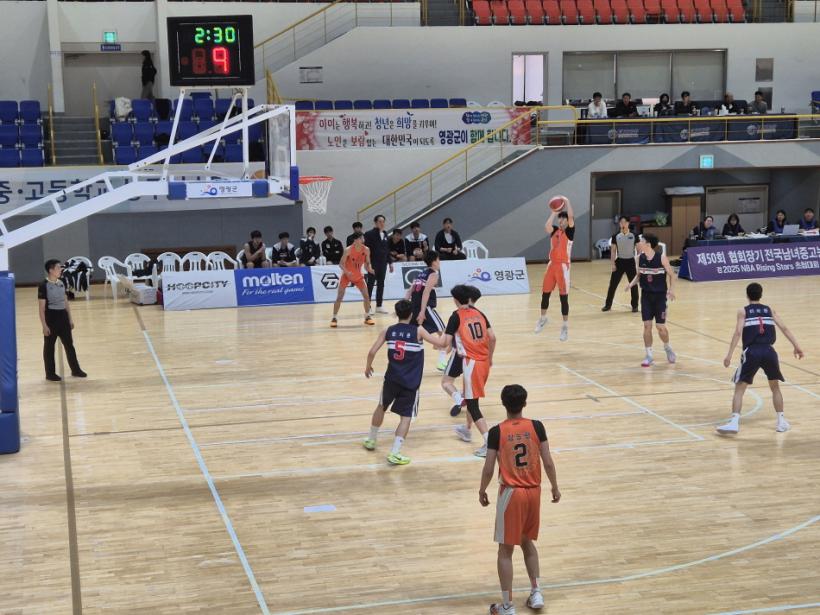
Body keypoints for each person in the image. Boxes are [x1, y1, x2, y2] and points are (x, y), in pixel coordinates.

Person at [479, 384, 561, 615]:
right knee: (527, 542)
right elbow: (548, 462)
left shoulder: (497, 432)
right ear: (524, 403)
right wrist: (555, 486)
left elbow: (488, 468)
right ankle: (536, 593)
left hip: (511, 494)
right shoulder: (537, 426)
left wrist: (482, 490)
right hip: (534, 492)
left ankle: (507, 606)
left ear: (503, 404)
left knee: (505, 550)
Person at [716, 283, 804, 435]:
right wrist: (797, 346)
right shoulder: (769, 310)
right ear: (761, 295)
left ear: (747, 295)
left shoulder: (743, 311)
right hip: (769, 351)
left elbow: (738, 332)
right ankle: (781, 422)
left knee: (739, 388)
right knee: (775, 387)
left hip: (752, 352)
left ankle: (734, 423)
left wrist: (729, 354)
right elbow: (784, 328)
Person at [363, 299, 443, 465]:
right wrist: (450, 333)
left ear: (396, 313)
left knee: (381, 406)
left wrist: (368, 367)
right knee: (406, 417)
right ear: (411, 314)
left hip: (391, 379)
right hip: (410, 383)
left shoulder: (388, 330)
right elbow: (440, 343)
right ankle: (395, 452)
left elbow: (372, 351)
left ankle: (371, 439)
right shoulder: (418, 331)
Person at [441, 285, 496, 458]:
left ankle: (489, 443)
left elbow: (444, 343)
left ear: (456, 299)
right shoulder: (479, 313)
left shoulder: (456, 316)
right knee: (471, 398)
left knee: (473, 405)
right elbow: (492, 337)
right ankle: (467, 430)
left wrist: (424, 336)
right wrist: (490, 358)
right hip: (484, 362)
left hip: (472, 364)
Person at [625, 234, 676, 367]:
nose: (638, 243)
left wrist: (671, 290)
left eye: (641, 241)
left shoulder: (661, 258)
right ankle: (649, 355)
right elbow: (639, 275)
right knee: (647, 326)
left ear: (648, 244)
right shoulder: (639, 258)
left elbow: (672, 275)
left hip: (660, 297)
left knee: (660, 327)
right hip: (646, 296)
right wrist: (631, 284)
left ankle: (667, 347)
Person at [39, 259, 86, 382]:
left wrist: (70, 319)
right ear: (51, 270)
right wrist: (44, 326)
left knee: (69, 345)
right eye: (58, 268)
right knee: (49, 347)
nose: (61, 270)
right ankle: (50, 373)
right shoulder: (43, 285)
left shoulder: (62, 282)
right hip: (51, 319)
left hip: (63, 318)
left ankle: (76, 370)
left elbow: (66, 302)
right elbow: (41, 308)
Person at [534, 198, 575, 342]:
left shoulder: (570, 232)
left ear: (567, 221)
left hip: (563, 267)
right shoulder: (555, 231)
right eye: (560, 219)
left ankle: (565, 327)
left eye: (563, 219)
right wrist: (554, 212)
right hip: (552, 265)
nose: (561, 221)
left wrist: (566, 201)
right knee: (545, 294)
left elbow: (571, 216)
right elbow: (547, 226)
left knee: (563, 297)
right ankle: (543, 319)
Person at [407, 250, 449, 371]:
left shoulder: (421, 273)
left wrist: (403, 305)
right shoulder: (433, 274)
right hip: (425, 308)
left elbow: (410, 290)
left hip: (414, 307)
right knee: (445, 333)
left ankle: (410, 363)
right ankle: (441, 361)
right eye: (438, 259)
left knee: (416, 336)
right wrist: (422, 311)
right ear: (434, 261)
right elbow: (425, 293)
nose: (439, 262)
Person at [330, 232, 375, 328]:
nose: (363, 239)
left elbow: (367, 263)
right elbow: (341, 264)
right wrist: (347, 272)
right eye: (361, 238)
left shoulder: (366, 250)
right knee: (339, 297)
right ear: (355, 240)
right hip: (347, 276)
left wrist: (370, 269)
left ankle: (367, 316)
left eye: (363, 238)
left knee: (366, 296)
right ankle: (334, 318)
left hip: (358, 276)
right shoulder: (348, 250)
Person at [602, 216, 639, 313]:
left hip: (631, 262)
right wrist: (613, 264)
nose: (623, 224)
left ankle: (635, 306)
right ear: (619, 224)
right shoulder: (615, 236)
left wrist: (638, 264)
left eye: (624, 222)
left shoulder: (634, 235)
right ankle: (608, 305)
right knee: (613, 284)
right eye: (621, 222)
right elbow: (613, 251)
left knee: (633, 284)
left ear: (628, 223)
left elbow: (639, 250)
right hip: (620, 262)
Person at [364, 214, 393, 314]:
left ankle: (379, 306)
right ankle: (367, 306)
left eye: (383, 221)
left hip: (383, 263)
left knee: (381, 284)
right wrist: (368, 264)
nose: (382, 223)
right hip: (373, 263)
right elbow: (366, 250)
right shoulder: (369, 234)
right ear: (375, 223)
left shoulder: (385, 234)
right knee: (370, 285)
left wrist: (390, 262)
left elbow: (387, 250)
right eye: (380, 221)